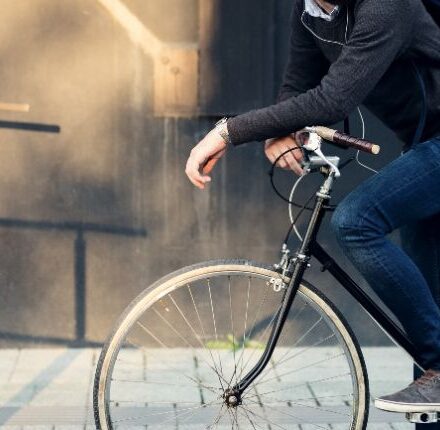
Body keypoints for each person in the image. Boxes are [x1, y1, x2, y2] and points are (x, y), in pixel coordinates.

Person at [185, 0, 440, 413]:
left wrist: (228, 132)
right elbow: (300, 85)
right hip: (424, 144)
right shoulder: (310, 13)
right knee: (428, 318)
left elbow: (332, 100)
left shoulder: (385, 6)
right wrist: (280, 133)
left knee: (357, 221)